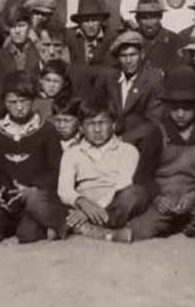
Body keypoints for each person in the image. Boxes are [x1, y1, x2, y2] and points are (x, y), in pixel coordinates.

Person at [0, 71, 66, 245]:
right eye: (12, 102)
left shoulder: (47, 130)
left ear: (32, 100)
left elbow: (55, 169)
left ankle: (37, 224)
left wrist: (32, 190)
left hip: (34, 198)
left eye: (24, 101)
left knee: (27, 235)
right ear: (4, 102)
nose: (19, 107)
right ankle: (8, 224)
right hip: (7, 199)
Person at [127, 66, 195, 241]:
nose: (180, 114)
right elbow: (142, 176)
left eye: (186, 108)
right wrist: (157, 197)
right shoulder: (157, 132)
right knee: (140, 230)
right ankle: (173, 223)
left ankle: (182, 224)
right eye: (175, 108)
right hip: (166, 196)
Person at [58, 98, 148, 243]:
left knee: (134, 194)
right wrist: (82, 202)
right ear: (80, 127)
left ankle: (79, 226)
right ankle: (103, 233)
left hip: (112, 204)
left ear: (113, 125)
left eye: (102, 123)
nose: (97, 130)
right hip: (83, 202)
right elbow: (65, 189)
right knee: (45, 200)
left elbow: (122, 184)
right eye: (90, 124)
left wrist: (90, 211)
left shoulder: (128, 150)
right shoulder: (72, 153)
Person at [103, 30, 165, 137]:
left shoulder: (154, 79)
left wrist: (124, 140)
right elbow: (106, 112)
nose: (128, 61)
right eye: (123, 56)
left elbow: (154, 121)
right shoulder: (111, 78)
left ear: (142, 55)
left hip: (142, 140)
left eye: (133, 55)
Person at [133, 0, 181, 73]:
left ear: (160, 17)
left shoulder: (174, 40)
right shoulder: (130, 40)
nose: (149, 23)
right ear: (137, 19)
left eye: (153, 17)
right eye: (144, 18)